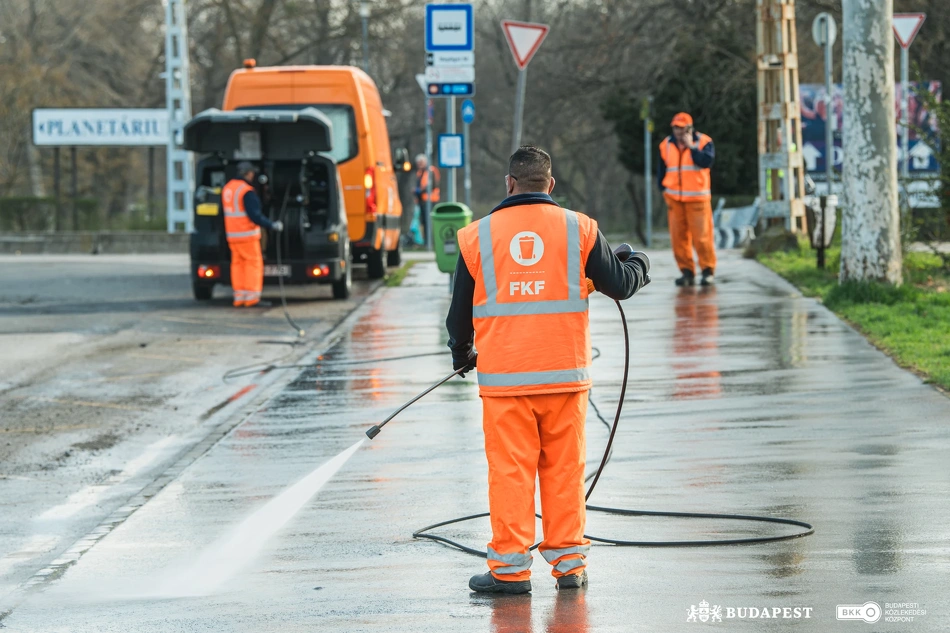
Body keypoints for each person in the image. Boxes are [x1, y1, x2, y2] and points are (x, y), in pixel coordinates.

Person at [446, 146, 651, 594]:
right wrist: (638, 264)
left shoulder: (476, 237)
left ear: (509, 183)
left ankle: (511, 572)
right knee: (564, 470)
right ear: (550, 185)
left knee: (511, 473)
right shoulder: (580, 229)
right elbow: (619, 284)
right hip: (564, 379)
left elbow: (459, 314)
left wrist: (461, 352)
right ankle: (570, 566)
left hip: (505, 385)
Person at [658, 112, 717, 286]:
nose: (678, 132)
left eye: (682, 128)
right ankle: (687, 272)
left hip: (698, 199)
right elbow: (661, 170)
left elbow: (706, 162)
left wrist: (691, 147)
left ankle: (707, 271)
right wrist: (663, 188)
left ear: (690, 129)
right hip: (674, 198)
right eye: (676, 128)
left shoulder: (704, 142)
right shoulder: (665, 145)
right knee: (678, 238)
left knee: (702, 237)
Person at [221, 161, 282, 307]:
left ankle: (239, 297)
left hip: (233, 236)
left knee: (237, 265)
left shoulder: (228, 188)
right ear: (248, 174)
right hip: (247, 236)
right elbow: (255, 215)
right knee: (252, 264)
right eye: (252, 173)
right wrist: (272, 225)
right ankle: (252, 298)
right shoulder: (246, 191)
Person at [414, 154, 440, 242]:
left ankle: (430, 241)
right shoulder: (420, 172)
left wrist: (419, 191)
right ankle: (426, 241)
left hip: (430, 200)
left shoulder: (430, 171)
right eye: (418, 163)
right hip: (422, 201)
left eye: (421, 163)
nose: (419, 165)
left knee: (429, 221)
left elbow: (431, 185)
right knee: (424, 222)